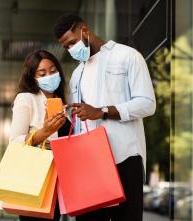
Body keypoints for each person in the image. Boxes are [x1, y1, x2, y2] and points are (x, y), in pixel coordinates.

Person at [53, 13, 156, 221]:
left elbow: (147, 104)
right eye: (66, 47)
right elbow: (79, 122)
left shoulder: (127, 56)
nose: (71, 49)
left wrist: (102, 111)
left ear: (85, 30)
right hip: (89, 163)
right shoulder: (76, 74)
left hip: (125, 158)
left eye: (72, 42)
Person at [9, 49, 70, 221]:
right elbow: (14, 142)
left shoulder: (64, 103)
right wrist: (43, 133)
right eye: (42, 73)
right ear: (32, 77)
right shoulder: (26, 99)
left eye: (53, 71)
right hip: (36, 177)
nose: (49, 76)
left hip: (60, 178)